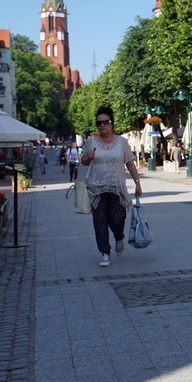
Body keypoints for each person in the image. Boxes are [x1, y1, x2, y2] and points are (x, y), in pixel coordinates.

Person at [80, 107, 143, 267]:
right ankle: (105, 252)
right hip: (96, 188)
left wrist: (137, 183)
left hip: (117, 188)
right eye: (99, 122)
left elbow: (130, 163)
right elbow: (83, 161)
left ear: (112, 123)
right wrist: (88, 156)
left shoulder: (121, 142)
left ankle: (119, 237)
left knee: (118, 218)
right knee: (99, 221)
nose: (102, 125)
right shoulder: (91, 141)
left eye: (105, 122)